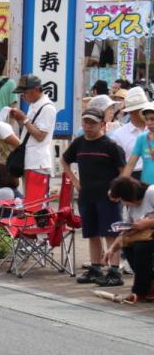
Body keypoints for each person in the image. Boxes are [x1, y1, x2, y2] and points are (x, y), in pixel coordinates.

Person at [63, 106, 126, 287]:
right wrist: (74, 180)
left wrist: (116, 190)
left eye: (93, 123)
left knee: (111, 233)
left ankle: (114, 271)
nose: (88, 126)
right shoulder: (79, 143)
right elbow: (65, 160)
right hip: (86, 195)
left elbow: (123, 171)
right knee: (92, 233)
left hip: (108, 197)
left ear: (102, 124)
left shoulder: (111, 146)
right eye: (85, 122)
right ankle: (95, 268)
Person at [105, 176, 154, 303]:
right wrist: (112, 249)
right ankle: (148, 285)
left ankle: (139, 291)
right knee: (127, 245)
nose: (122, 203)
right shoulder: (129, 206)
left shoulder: (151, 193)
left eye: (122, 199)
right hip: (144, 237)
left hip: (148, 237)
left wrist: (147, 223)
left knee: (141, 247)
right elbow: (125, 231)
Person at [8, 75, 56, 203]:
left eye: (25, 92)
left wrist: (24, 119)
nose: (23, 96)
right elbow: (28, 132)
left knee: (35, 203)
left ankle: (38, 223)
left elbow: (40, 135)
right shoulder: (34, 105)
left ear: (36, 90)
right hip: (30, 160)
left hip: (38, 162)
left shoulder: (47, 108)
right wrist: (20, 119)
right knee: (30, 201)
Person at [112, 88, 149, 182]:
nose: (144, 113)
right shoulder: (118, 135)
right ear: (131, 112)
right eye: (141, 109)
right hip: (132, 180)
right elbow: (119, 165)